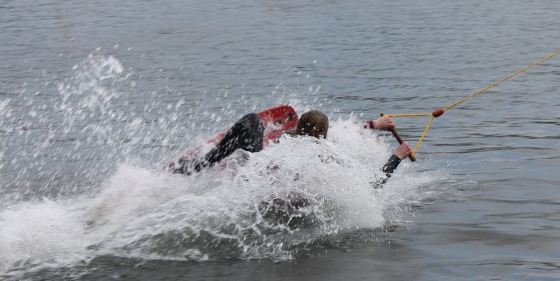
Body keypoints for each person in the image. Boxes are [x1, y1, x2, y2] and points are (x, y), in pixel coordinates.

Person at [172, 109, 412, 181]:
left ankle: (195, 166)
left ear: (297, 130)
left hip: (250, 168)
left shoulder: (287, 140)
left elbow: (341, 130)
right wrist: (397, 157)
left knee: (252, 121)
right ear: (325, 136)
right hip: (263, 185)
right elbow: (373, 185)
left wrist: (374, 124)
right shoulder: (329, 157)